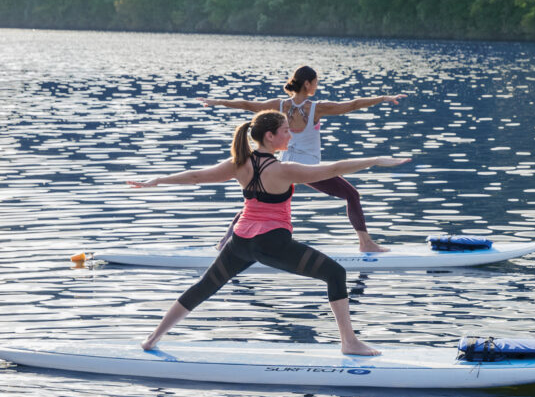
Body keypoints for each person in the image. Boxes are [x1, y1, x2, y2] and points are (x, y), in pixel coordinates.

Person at [127, 109, 410, 354]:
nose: (290, 135)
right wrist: (373, 160)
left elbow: (196, 176)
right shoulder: (284, 170)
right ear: (270, 136)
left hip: (240, 241)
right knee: (335, 273)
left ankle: (152, 338)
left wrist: (157, 181)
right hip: (272, 243)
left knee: (205, 286)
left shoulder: (239, 164)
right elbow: (333, 168)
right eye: (286, 131)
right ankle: (349, 342)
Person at [198, 65, 407, 252]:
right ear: (307, 83)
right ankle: (366, 243)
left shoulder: (278, 105)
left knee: (256, 202)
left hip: (282, 167)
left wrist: (217, 102)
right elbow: (353, 104)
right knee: (352, 195)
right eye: (315, 82)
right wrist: (383, 98)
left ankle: (225, 242)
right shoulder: (316, 108)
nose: (317, 85)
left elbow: (247, 104)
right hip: (308, 170)